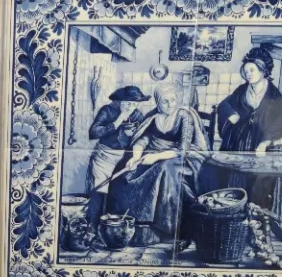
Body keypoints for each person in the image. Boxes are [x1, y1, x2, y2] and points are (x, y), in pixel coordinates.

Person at [105, 83, 209, 248]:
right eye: (165, 101)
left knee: (163, 170)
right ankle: (136, 226)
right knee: (124, 173)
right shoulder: (153, 116)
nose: (170, 104)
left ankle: (163, 229)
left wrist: (156, 157)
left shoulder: (184, 116)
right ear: (158, 102)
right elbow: (143, 139)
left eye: (173, 100)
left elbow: (183, 149)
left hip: (181, 157)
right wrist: (136, 156)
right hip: (152, 153)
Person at [199, 47, 282, 208]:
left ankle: (253, 211)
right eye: (246, 71)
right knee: (217, 170)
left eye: (252, 70)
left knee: (257, 178)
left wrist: (265, 142)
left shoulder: (275, 96)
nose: (248, 74)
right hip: (237, 140)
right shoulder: (242, 90)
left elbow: (279, 123)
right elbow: (224, 105)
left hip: (261, 143)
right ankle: (229, 207)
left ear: (263, 71)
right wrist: (231, 114)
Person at [85, 86, 151, 228]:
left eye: (134, 104)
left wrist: (134, 135)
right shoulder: (107, 111)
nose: (131, 107)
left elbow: (144, 135)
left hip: (124, 159)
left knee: (118, 193)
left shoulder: (137, 115)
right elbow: (93, 132)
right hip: (104, 157)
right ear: (119, 101)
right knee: (99, 191)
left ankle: (113, 228)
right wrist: (118, 121)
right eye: (128, 103)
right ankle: (92, 228)